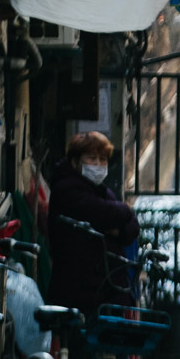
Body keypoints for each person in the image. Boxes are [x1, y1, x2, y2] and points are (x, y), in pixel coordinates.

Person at [42, 127, 138, 318]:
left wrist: (118, 230)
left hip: (104, 291)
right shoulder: (66, 189)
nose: (98, 164)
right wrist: (125, 210)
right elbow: (105, 213)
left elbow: (133, 227)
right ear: (76, 161)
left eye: (102, 160)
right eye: (91, 159)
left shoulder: (102, 191)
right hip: (78, 290)